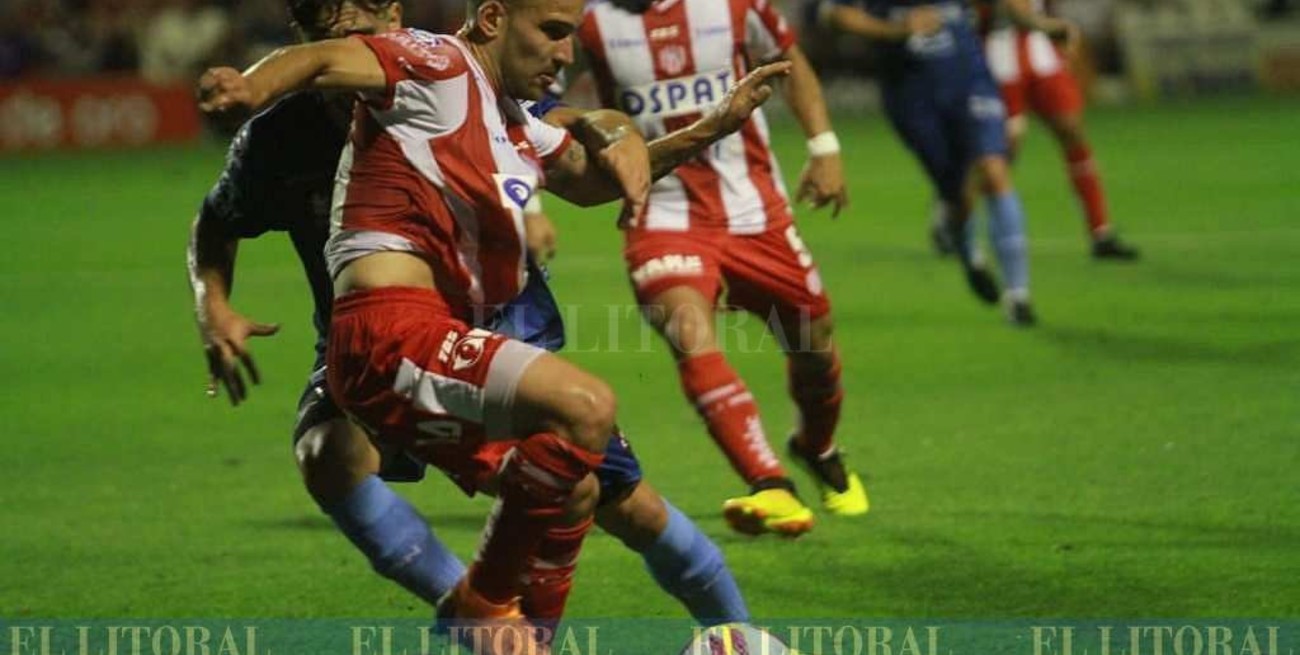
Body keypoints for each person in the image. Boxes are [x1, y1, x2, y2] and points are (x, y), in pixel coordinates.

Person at [191, 0, 788, 629]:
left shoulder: (459, 79)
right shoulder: (286, 132)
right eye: (329, 41)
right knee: (328, 453)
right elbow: (218, 217)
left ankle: (729, 634)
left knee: (612, 501)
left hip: (493, 328)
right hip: (384, 332)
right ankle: (477, 610)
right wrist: (214, 306)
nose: (351, 60)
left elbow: (584, 136)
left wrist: (689, 126)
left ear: (393, 23)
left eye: (364, 38)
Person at [574, 0, 870, 539]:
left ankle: (816, 445)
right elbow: (537, 94)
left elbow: (789, 61)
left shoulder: (734, 6)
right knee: (691, 334)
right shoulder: (587, 20)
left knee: (815, 345)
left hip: (756, 213)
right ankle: (770, 483)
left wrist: (824, 147)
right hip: (661, 212)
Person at [820, 0, 1038, 326]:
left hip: (970, 81)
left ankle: (1018, 295)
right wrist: (897, 30)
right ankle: (967, 250)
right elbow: (835, 15)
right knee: (955, 190)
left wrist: (1042, 26)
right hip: (912, 95)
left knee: (993, 169)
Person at [975, 0, 1139, 260]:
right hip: (1000, 55)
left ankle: (1100, 232)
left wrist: (1051, 30)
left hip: (1041, 55)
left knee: (1072, 131)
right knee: (1004, 151)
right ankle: (954, 214)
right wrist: (1048, 26)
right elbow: (1008, 10)